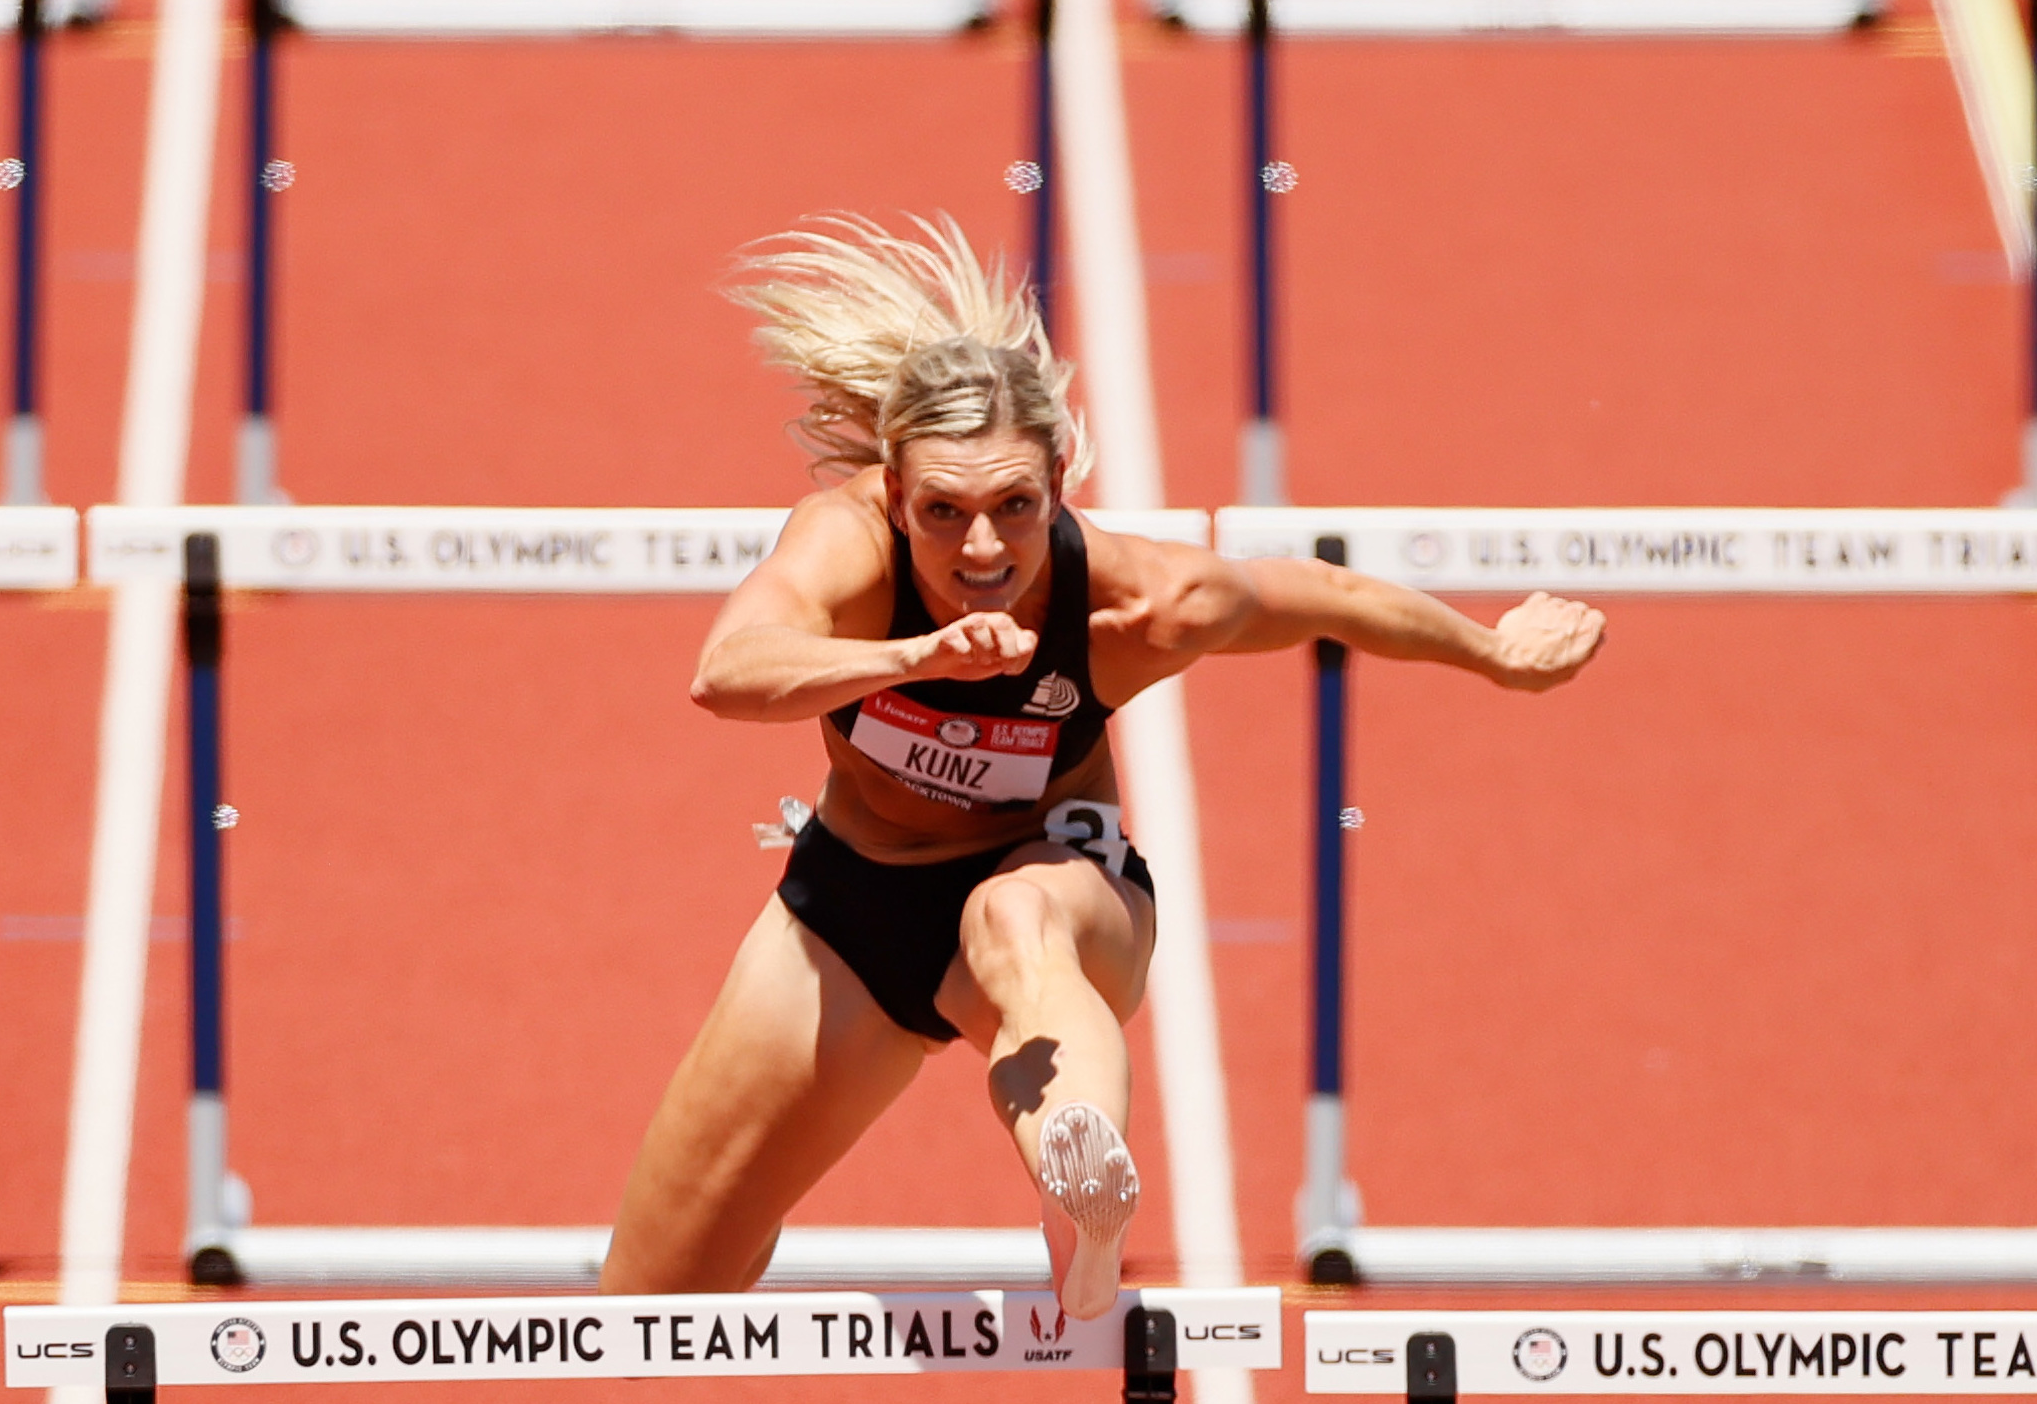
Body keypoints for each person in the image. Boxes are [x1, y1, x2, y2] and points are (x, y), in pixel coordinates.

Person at [600, 215, 1605, 1317]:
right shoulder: (844, 547)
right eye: (942, 512)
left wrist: (1496, 652)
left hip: (1063, 884)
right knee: (649, 1301)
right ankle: (1033, 1171)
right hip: (851, 904)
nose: (980, 549)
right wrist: (909, 654)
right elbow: (727, 669)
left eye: (1014, 509)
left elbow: (1327, 596)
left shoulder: (1139, 602)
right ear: (892, 491)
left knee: (1011, 920)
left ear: (1061, 481)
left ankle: (1079, 1194)